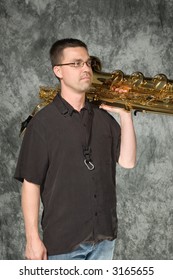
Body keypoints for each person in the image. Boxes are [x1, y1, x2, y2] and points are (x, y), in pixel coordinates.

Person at [14, 38, 136, 260]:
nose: (86, 69)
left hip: (104, 241)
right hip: (63, 245)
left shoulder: (104, 119)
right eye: (77, 63)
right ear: (58, 71)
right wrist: (32, 239)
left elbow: (128, 161)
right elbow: (31, 184)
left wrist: (126, 114)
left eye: (88, 63)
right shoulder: (42, 123)